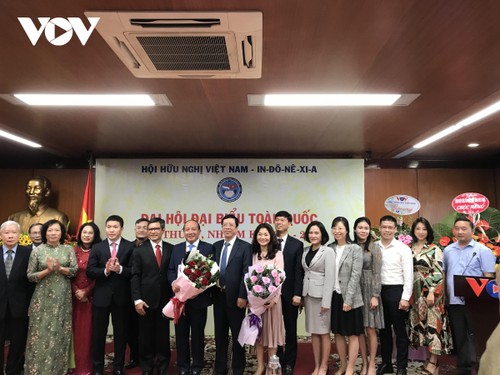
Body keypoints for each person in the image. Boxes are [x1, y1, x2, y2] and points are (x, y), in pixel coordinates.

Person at [443, 217, 496, 375]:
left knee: (479, 337)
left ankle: (483, 368)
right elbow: (445, 275)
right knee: (460, 337)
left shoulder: (483, 251)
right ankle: (463, 369)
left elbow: (489, 278)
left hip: (476, 302)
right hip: (454, 300)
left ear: (472, 231)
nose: (460, 231)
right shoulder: (448, 250)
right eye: (457, 228)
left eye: (464, 228)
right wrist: (445, 297)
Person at [25, 219, 78, 374]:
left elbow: (74, 270)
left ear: (62, 233)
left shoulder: (68, 249)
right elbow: (30, 276)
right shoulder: (37, 251)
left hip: (62, 297)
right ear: (44, 233)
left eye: (56, 230)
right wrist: (47, 271)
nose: (53, 233)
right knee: (39, 333)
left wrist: (60, 268)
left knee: (59, 331)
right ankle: (37, 369)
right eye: (49, 230)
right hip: (42, 298)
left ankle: (57, 369)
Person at [87, 215, 135, 375]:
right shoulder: (97, 247)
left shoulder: (130, 247)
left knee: (121, 334)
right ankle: (97, 368)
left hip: (122, 297)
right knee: (98, 334)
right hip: (101, 297)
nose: (111, 230)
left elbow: (134, 271)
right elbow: (90, 271)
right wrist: (106, 271)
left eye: (115, 227)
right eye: (108, 227)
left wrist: (120, 269)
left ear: (121, 228)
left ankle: (118, 367)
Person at [168, 220, 215, 375]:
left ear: (199, 231)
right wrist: (173, 282)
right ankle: (182, 365)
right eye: (187, 229)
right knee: (180, 334)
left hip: (198, 301)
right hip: (180, 301)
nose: (190, 232)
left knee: (197, 334)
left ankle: (197, 365)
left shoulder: (208, 248)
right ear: (183, 231)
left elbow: (211, 273)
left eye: (193, 229)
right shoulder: (176, 249)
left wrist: (199, 288)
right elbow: (171, 270)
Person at [408, 217, 452, 375]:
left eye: (424, 229)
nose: (421, 232)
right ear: (413, 230)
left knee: (433, 326)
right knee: (422, 326)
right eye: (418, 228)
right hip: (414, 293)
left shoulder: (435, 249)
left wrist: (433, 291)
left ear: (428, 231)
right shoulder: (409, 248)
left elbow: (439, 272)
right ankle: (428, 359)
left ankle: (434, 362)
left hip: (431, 293)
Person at [132, 217, 173, 375]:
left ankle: (163, 366)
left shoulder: (171, 249)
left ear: (163, 230)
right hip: (145, 301)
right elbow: (135, 276)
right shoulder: (139, 250)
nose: (153, 232)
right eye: (150, 229)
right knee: (145, 336)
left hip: (166, 300)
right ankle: (147, 367)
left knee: (163, 336)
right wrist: (137, 300)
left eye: (156, 229)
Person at [212, 214, 252, 375]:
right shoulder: (215, 246)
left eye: (231, 224)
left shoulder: (244, 247)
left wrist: (243, 296)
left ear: (236, 228)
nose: (227, 227)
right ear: (221, 228)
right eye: (224, 224)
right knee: (219, 335)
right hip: (218, 296)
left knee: (237, 335)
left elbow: (246, 272)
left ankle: (238, 368)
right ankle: (220, 368)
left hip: (236, 298)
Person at [376, 215, 413, 375]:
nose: (387, 230)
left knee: (399, 332)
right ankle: (386, 364)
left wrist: (405, 298)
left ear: (395, 229)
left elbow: (409, 275)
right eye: (384, 227)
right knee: (383, 331)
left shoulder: (402, 248)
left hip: (397, 291)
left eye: (390, 227)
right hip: (378, 292)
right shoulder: (374, 246)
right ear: (379, 228)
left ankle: (402, 366)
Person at [329, 217, 364, 375]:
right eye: (334, 228)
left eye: (340, 228)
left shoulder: (355, 248)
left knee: (352, 333)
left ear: (347, 230)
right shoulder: (329, 248)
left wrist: (348, 299)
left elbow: (356, 275)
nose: (337, 231)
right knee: (338, 333)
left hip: (350, 297)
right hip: (334, 296)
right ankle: (343, 365)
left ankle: (350, 368)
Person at [251, 223, 286, 375]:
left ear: (271, 237)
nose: (263, 237)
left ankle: (272, 366)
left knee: (272, 334)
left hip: (272, 303)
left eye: (266, 234)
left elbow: (280, 278)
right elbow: (249, 279)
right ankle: (260, 365)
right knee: (258, 334)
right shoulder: (253, 254)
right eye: (260, 234)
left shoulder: (277, 254)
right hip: (256, 303)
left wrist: (274, 300)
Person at [0, 220, 34, 375]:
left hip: (20, 306)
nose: (10, 236)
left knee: (18, 342)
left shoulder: (28, 253)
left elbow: (31, 282)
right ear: (1, 235)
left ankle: (13, 371)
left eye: (13, 232)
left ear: (19, 235)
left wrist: (30, 305)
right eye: (6, 233)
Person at [302, 220, 335, 375]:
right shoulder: (305, 250)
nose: (313, 235)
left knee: (323, 332)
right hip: (308, 296)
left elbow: (330, 277)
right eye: (311, 232)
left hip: (322, 297)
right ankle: (316, 365)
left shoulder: (327, 251)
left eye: (316, 233)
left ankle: (323, 366)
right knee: (314, 332)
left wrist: (327, 301)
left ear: (322, 235)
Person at [274, 210, 304, 375]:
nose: (279, 223)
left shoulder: (296, 244)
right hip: (271, 295)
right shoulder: (268, 241)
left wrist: (297, 294)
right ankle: (276, 359)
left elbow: (299, 271)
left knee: (290, 329)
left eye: (282, 220)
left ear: (290, 223)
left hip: (290, 294)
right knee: (275, 329)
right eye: (277, 220)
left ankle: (289, 363)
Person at [353, 217, 384, 375]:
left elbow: (377, 273)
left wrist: (375, 295)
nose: (363, 230)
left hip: (370, 289)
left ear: (370, 230)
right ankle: (364, 362)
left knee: (371, 329)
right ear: (355, 229)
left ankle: (372, 363)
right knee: (359, 330)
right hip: (355, 291)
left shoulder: (375, 247)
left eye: (366, 228)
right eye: (360, 227)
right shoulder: (351, 247)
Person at [71, 222, 101, 375]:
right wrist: (76, 291)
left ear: (95, 235)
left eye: (90, 233)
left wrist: (86, 292)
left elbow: (100, 276)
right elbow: (68, 274)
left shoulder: (99, 251)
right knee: (72, 332)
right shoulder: (72, 251)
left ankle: (85, 367)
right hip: (72, 298)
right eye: (84, 232)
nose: (87, 235)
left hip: (91, 298)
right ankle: (71, 365)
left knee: (87, 333)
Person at [126, 218, 150, 370]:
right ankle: (134, 356)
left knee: (147, 330)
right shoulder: (128, 247)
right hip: (128, 294)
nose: (141, 230)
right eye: (138, 227)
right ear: (134, 230)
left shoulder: (154, 247)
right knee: (130, 329)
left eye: (144, 227)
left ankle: (148, 357)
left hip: (147, 294)